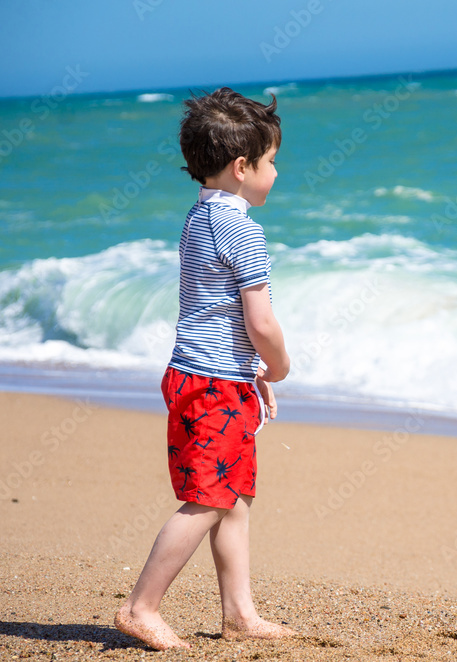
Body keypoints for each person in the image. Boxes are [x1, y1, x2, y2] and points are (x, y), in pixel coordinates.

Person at [115, 87, 292, 651]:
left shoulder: (200, 215)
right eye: (270, 161)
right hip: (212, 383)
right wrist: (278, 366)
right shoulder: (242, 229)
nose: (276, 172)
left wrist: (248, 373)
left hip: (208, 375)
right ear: (242, 167)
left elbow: (219, 314)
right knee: (210, 498)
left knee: (232, 496)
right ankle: (141, 606)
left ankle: (239, 613)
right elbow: (259, 321)